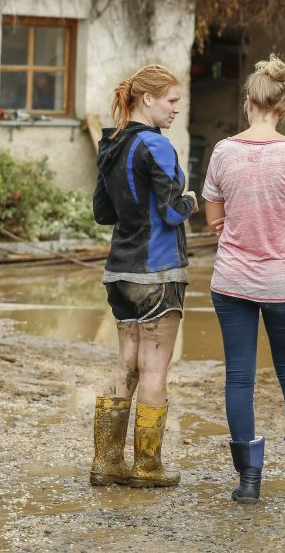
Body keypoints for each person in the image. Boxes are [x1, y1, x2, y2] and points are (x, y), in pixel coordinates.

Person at [202, 55, 285, 505]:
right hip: (280, 282)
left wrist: (242, 220)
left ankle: (248, 484)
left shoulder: (222, 151)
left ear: (247, 102)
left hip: (232, 279)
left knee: (239, 378)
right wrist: (279, 219)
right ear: (284, 107)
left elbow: (214, 218)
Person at [90, 64, 199, 488]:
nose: (176, 110)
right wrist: (190, 199)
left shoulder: (110, 143)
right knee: (154, 369)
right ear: (148, 98)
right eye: (172, 101)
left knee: (126, 364)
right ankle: (148, 468)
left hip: (119, 274)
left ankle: (106, 464)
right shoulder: (157, 146)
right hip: (158, 273)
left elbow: (103, 213)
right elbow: (173, 211)